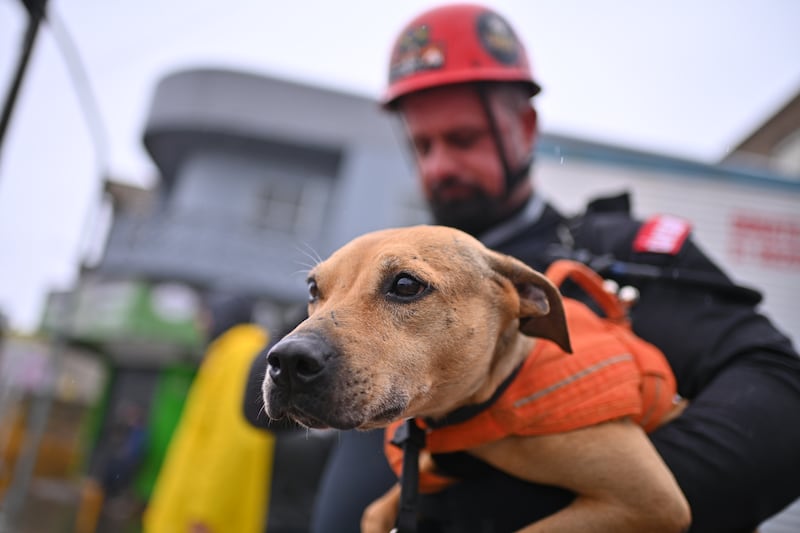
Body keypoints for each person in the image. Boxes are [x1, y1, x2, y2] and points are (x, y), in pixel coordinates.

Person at [247, 4, 800, 532]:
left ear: (526, 126)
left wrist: (524, 506)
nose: (440, 164)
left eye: (463, 138)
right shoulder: (361, 264)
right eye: (423, 145)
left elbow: (782, 403)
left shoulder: (620, 255)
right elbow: (257, 402)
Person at [144, 293, 276, 533]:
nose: (201, 324)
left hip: (203, 521)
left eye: (205, 315)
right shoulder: (229, 353)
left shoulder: (238, 355)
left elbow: (233, 438)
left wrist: (206, 513)